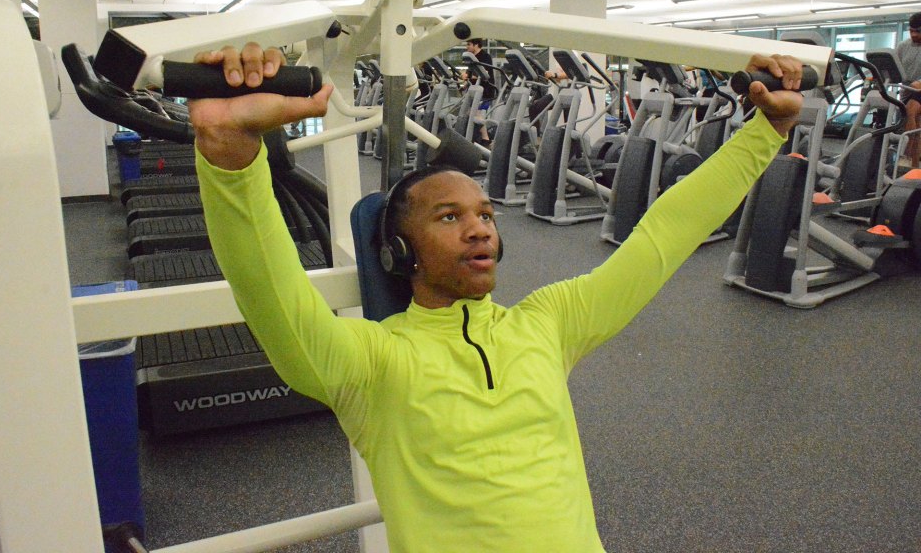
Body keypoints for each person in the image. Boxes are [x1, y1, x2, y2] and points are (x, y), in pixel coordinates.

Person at [189, 43, 805, 553]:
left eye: (485, 213)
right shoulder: (372, 363)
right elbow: (272, 293)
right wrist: (229, 155)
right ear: (400, 254)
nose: (481, 227)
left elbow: (664, 236)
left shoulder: (547, 323)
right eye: (449, 217)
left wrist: (767, 131)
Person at [895, 12, 921, 169]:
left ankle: (904, 155)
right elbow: (894, 67)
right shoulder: (903, 46)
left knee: (911, 110)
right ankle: (914, 165)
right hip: (906, 88)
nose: (914, 34)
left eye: (918, 31)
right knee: (914, 122)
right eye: (911, 31)